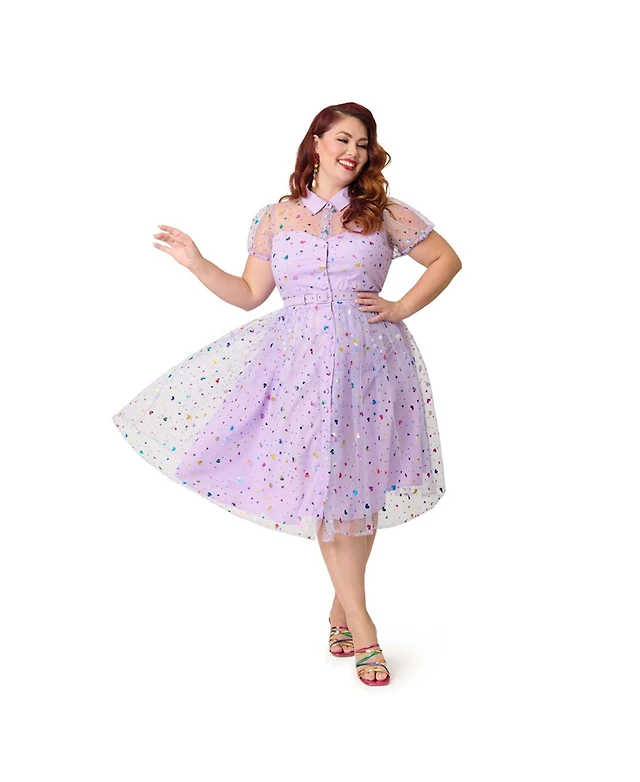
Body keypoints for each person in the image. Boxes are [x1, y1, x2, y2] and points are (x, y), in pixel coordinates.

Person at [112, 102, 462, 686]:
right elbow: (250, 294)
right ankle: (364, 625)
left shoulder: (384, 212)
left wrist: (401, 306)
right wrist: (197, 262)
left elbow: (446, 259)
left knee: (359, 486)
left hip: (371, 365)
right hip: (298, 368)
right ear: (316, 143)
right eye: (343, 139)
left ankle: (342, 611)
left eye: (363, 144)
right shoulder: (275, 217)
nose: (353, 152)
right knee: (325, 487)